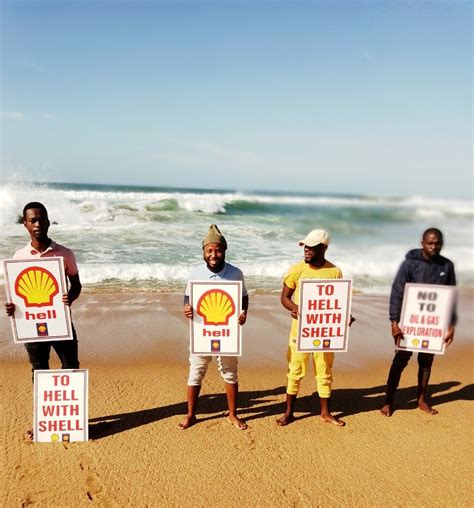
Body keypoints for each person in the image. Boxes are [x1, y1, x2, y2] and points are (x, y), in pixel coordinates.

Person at [277, 229, 353, 427]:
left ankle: (325, 412)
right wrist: (294, 308)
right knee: (295, 369)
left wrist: (345, 317)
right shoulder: (297, 269)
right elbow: (285, 297)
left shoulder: (335, 272)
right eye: (305, 247)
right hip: (300, 332)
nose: (307, 250)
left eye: (311, 247)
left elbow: (338, 303)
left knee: (324, 369)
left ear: (324, 248)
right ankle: (289, 412)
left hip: (324, 331)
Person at [179, 224, 249, 430]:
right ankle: (191, 414)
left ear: (224, 251)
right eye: (209, 250)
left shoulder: (236, 273)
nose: (214, 254)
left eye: (218, 250)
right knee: (196, 370)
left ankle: (233, 414)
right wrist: (186, 308)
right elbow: (187, 297)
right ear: (203, 252)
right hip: (202, 330)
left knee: (229, 371)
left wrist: (243, 313)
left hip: (228, 332)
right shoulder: (195, 274)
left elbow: (243, 297)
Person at [380, 228, 456, 417]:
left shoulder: (447, 266)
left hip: (432, 324)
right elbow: (397, 292)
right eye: (429, 243)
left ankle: (421, 400)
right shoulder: (410, 264)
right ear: (422, 243)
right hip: (409, 322)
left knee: (426, 361)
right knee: (400, 360)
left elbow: (451, 296)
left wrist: (451, 325)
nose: (433, 246)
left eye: (437, 243)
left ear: (441, 243)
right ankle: (388, 400)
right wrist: (394, 321)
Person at [5, 202, 82, 377]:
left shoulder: (65, 253)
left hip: (59, 320)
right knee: (39, 370)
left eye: (41, 220)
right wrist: (12, 307)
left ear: (48, 222)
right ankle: (43, 405)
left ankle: (69, 405)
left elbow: (76, 285)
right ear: (25, 224)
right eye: (33, 220)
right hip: (30, 323)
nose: (38, 224)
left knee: (71, 366)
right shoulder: (19, 256)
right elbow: (17, 294)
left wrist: (70, 298)